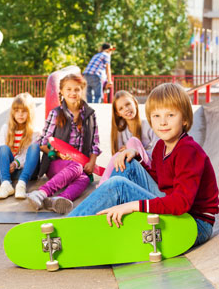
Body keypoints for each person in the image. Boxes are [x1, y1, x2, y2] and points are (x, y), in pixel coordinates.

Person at [68, 83, 219, 247]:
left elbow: (181, 202)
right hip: (178, 213)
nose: (163, 122)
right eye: (156, 116)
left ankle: (69, 229)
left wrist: (133, 206)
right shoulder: (161, 147)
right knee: (128, 164)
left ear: (184, 119)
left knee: (117, 186)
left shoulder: (188, 151)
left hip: (193, 224)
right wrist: (137, 157)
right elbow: (159, 180)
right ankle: (87, 224)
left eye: (170, 115)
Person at [27, 74, 101, 214]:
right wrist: (58, 153)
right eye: (69, 89)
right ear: (61, 91)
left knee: (84, 179)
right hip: (55, 164)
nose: (73, 93)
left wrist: (92, 162)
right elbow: (42, 142)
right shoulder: (55, 113)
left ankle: (59, 200)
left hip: (80, 165)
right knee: (76, 167)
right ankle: (41, 193)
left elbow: (95, 143)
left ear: (82, 90)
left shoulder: (91, 115)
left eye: (77, 89)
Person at [0, 93, 40, 200]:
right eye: (17, 111)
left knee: (35, 147)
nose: (20, 114)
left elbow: (27, 155)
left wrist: (15, 163)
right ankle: (6, 184)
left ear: (30, 112)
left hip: (26, 171)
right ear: (12, 112)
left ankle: (21, 185)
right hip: (10, 171)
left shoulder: (34, 132)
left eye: (24, 111)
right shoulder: (6, 128)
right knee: (3, 148)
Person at [98, 90, 158, 186]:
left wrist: (136, 150)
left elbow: (158, 152)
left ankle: (103, 184)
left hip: (149, 167)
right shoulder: (120, 131)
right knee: (120, 153)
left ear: (135, 103)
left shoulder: (149, 125)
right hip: (132, 166)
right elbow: (118, 156)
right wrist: (125, 152)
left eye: (128, 104)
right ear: (118, 113)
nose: (126, 109)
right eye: (121, 108)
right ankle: (105, 185)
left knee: (133, 141)